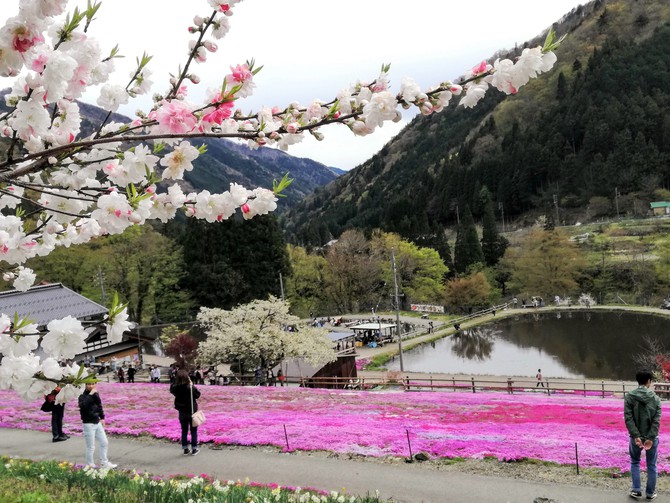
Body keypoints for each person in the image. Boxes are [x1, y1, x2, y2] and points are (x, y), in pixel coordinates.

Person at [624, 369, 661, 500]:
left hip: (635, 438)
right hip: (653, 438)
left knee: (635, 462)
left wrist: (635, 436)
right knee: (651, 465)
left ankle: (636, 490)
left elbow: (628, 418)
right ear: (649, 381)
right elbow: (656, 421)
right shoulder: (656, 399)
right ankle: (650, 493)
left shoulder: (629, 397)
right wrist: (650, 438)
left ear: (637, 380)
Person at [78, 381, 117, 469]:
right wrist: (91, 394)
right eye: (89, 384)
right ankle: (90, 465)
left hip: (97, 422)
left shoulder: (95, 394)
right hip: (88, 424)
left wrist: (102, 417)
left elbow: (99, 405)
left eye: (93, 384)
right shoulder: (82, 395)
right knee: (91, 447)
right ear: (85, 385)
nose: (91, 386)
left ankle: (104, 463)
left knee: (104, 442)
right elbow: (83, 406)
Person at [170, 369, 201, 456]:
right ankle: (194, 449)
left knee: (184, 431)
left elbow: (171, 388)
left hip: (182, 412)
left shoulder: (175, 388)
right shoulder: (190, 387)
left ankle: (185, 449)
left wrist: (175, 381)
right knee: (193, 431)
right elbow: (198, 395)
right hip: (191, 411)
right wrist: (191, 384)